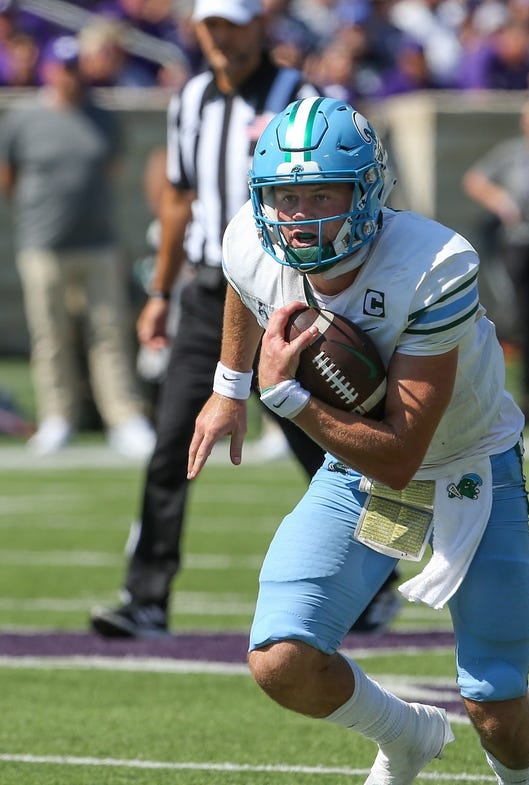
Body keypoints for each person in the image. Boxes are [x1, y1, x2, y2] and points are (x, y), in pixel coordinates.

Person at [187, 96, 529, 785]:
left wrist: (285, 396)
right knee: (281, 658)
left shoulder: (433, 264)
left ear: (368, 191)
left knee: (494, 702)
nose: (300, 216)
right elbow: (244, 281)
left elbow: (404, 451)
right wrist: (230, 386)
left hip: (467, 464)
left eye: (322, 193)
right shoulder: (249, 239)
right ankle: (406, 735)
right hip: (356, 466)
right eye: (284, 198)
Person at [88, 0, 397, 639]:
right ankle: (145, 595)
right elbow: (179, 198)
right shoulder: (191, 98)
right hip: (208, 293)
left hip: (284, 288)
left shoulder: (300, 95)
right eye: (212, 27)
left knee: (315, 440)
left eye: (234, 24)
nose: (223, 39)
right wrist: (160, 291)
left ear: (262, 25)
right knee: (175, 440)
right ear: (198, 31)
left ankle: (374, 578)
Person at [0, 34, 156, 458]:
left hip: (98, 243)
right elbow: (8, 178)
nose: (70, 77)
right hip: (43, 243)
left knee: (109, 332)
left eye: (75, 68)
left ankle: (124, 417)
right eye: (63, 68)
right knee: (50, 336)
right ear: (49, 71)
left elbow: (113, 168)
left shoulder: (102, 117)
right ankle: (58, 417)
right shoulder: (24, 119)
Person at [462, 93, 529, 424]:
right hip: (521, 245)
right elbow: (475, 179)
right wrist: (502, 202)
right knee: (526, 321)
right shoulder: (512, 154)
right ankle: (528, 396)